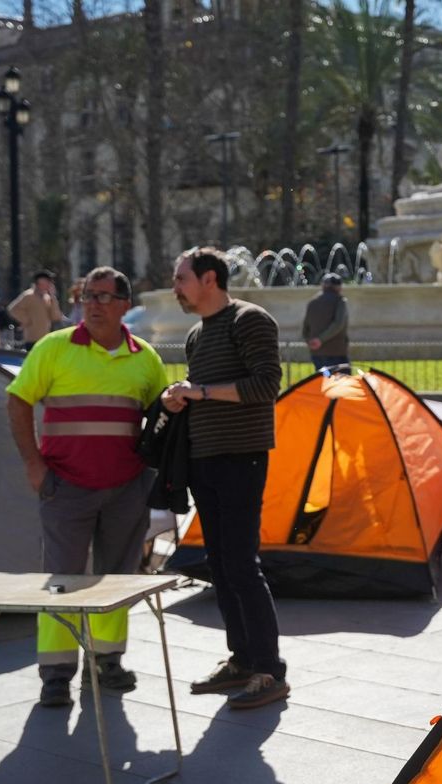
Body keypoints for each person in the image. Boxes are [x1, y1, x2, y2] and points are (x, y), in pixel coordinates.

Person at [5, 266, 167, 708]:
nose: (92, 304)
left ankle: (105, 665)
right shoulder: (54, 348)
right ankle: (56, 675)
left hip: (127, 490)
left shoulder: (146, 359)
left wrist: (152, 479)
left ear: (123, 306)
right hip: (66, 488)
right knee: (61, 583)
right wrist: (33, 466)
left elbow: (160, 422)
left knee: (116, 581)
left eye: (102, 296)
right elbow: (17, 400)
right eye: (87, 296)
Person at [161, 246, 290, 710]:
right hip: (204, 460)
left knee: (240, 564)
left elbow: (265, 385)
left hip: (241, 458)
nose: (176, 287)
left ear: (209, 279)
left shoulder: (249, 320)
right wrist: (176, 399)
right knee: (218, 565)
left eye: (181, 278)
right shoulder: (198, 334)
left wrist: (199, 392)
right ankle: (240, 660)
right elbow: (205, 393)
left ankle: (269, 670)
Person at [302, 273, 350, 371]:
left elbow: (305, 327)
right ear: (338, 287)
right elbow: (338, 324)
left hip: (317, 354)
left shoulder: (312, 302)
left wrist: (310, 342)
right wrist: (320, 339)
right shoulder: (340, 301)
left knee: (324, 378)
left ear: (323, 285)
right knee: (342, 381)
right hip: (337, 352)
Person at [7, 270, 63, 347]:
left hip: (45, 338)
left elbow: (55, 317)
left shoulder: (48, 298)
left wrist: (53, 297)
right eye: (48, 280)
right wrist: (27, 320)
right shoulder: (28, 296)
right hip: (31, 339)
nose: (50, 283)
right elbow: (13, 309)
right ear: (40, 281)